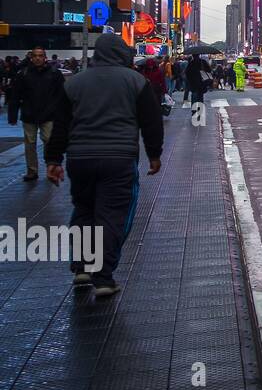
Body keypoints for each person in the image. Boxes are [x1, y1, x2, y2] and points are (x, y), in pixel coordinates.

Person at [45, 33, 164, 299]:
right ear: (123, 54)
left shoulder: (74, 83)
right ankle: (103, 276)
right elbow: (151, 121)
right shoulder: (135, 81)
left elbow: (61, 124)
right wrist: (154, 154)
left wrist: (53, 160)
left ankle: (82, 267)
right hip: (119, 158)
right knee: (112, 216)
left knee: (84, 210)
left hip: (79, 158)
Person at [7, 48, 65, 182]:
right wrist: (13, 115)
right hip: (32, 113)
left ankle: (38, 169)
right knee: (32, 143)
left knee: (44, 142)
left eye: (40, 56)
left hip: (44, 113)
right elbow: (15, 96)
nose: (38, 58)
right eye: (35, 56)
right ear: (31, 57)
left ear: (45, 57)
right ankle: (34, 170)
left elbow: (61, 95)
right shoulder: (27, 74)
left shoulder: (29, 73)